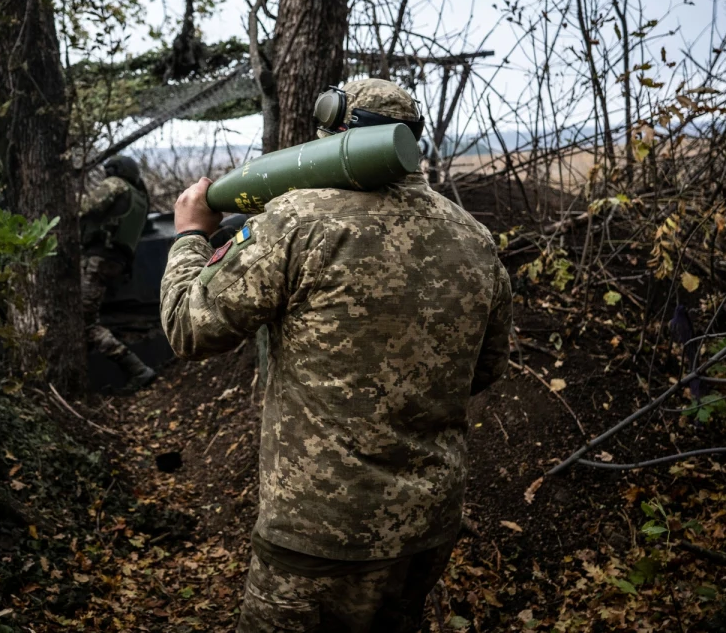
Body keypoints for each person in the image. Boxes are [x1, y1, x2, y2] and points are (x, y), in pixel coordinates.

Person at [158, 78, 513, 632]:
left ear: (331, 138)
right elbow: (486, 369)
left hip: (319, 532)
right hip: (425, 528)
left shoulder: (298, 219)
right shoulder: (473, 237)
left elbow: (188, 326)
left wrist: (188, 236)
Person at [80, 155, 157, 391]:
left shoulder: (116, 185)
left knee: (84, 324)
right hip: (116, 262)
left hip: (97, 258)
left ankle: (137, 369)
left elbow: (84, 208)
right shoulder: (140, 198)